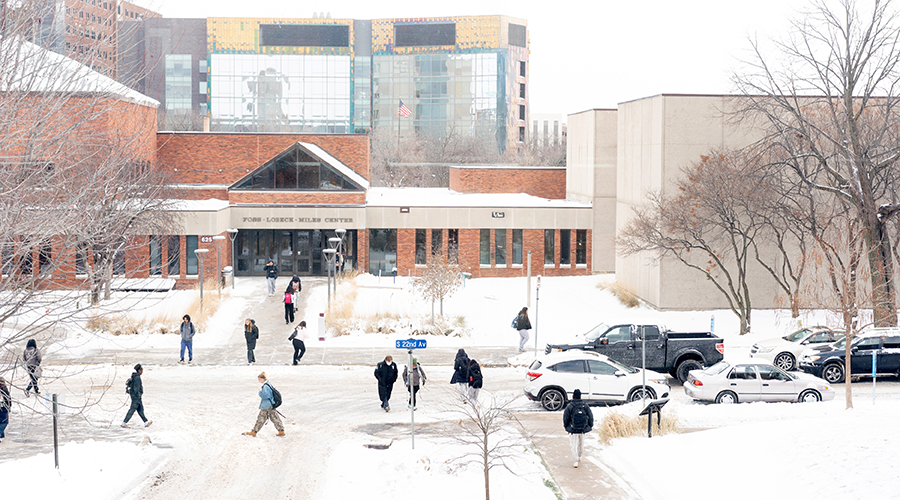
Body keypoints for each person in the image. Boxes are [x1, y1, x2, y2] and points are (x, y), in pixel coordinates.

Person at [243, 372, 285, 437]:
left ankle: (254, 431)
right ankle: (281, 430)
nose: (259, 381)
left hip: (266, 405)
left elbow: (265, 395)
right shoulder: (268, 384)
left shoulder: (265, 386)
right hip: (271, 404)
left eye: (259, 379)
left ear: (263, 379)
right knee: (275, 418)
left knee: (261, 418)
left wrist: (260, 393)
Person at [563, 389, 594, 468]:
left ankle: (575, 461)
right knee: (581, 444)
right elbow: (590, 416)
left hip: (573, 429)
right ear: (580, 396)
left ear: (573, 396)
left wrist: (567, 427)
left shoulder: (570, 406)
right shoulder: (585, 406)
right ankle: (580, 456)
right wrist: (589, 426)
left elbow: (566, 417)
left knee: (574, 445)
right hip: (582, 429)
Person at [0, 377, 10, 443]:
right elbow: (8, 400)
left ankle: (2, 435)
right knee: (4, 422)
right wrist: (9, 407)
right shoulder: (4, 390)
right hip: (3, 408)